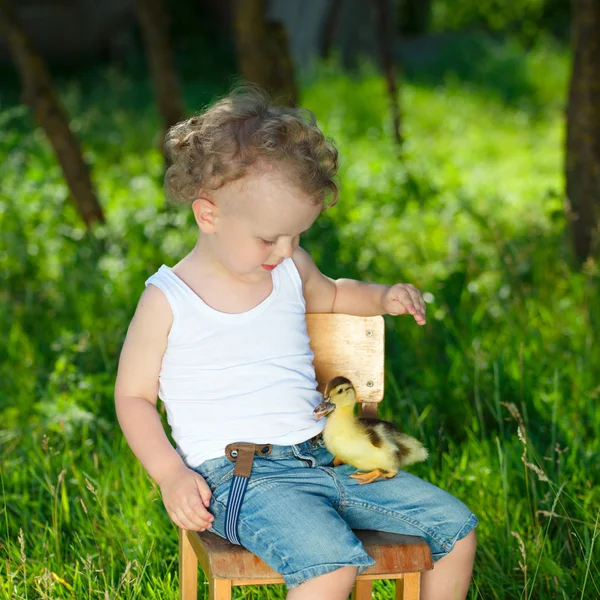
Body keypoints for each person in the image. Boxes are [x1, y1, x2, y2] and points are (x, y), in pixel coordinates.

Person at [114, 85, 477, 600]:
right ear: (208, 215)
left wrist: (384, 296)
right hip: (240, 475)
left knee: (455, 528)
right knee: (329, 564)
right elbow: (132, 397)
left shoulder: (288, 269)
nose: (285, 251)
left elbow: (333, 294)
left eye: (297, 236)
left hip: (324, 457)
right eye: (270, 237)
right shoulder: (170, 300)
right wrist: (170, 474)